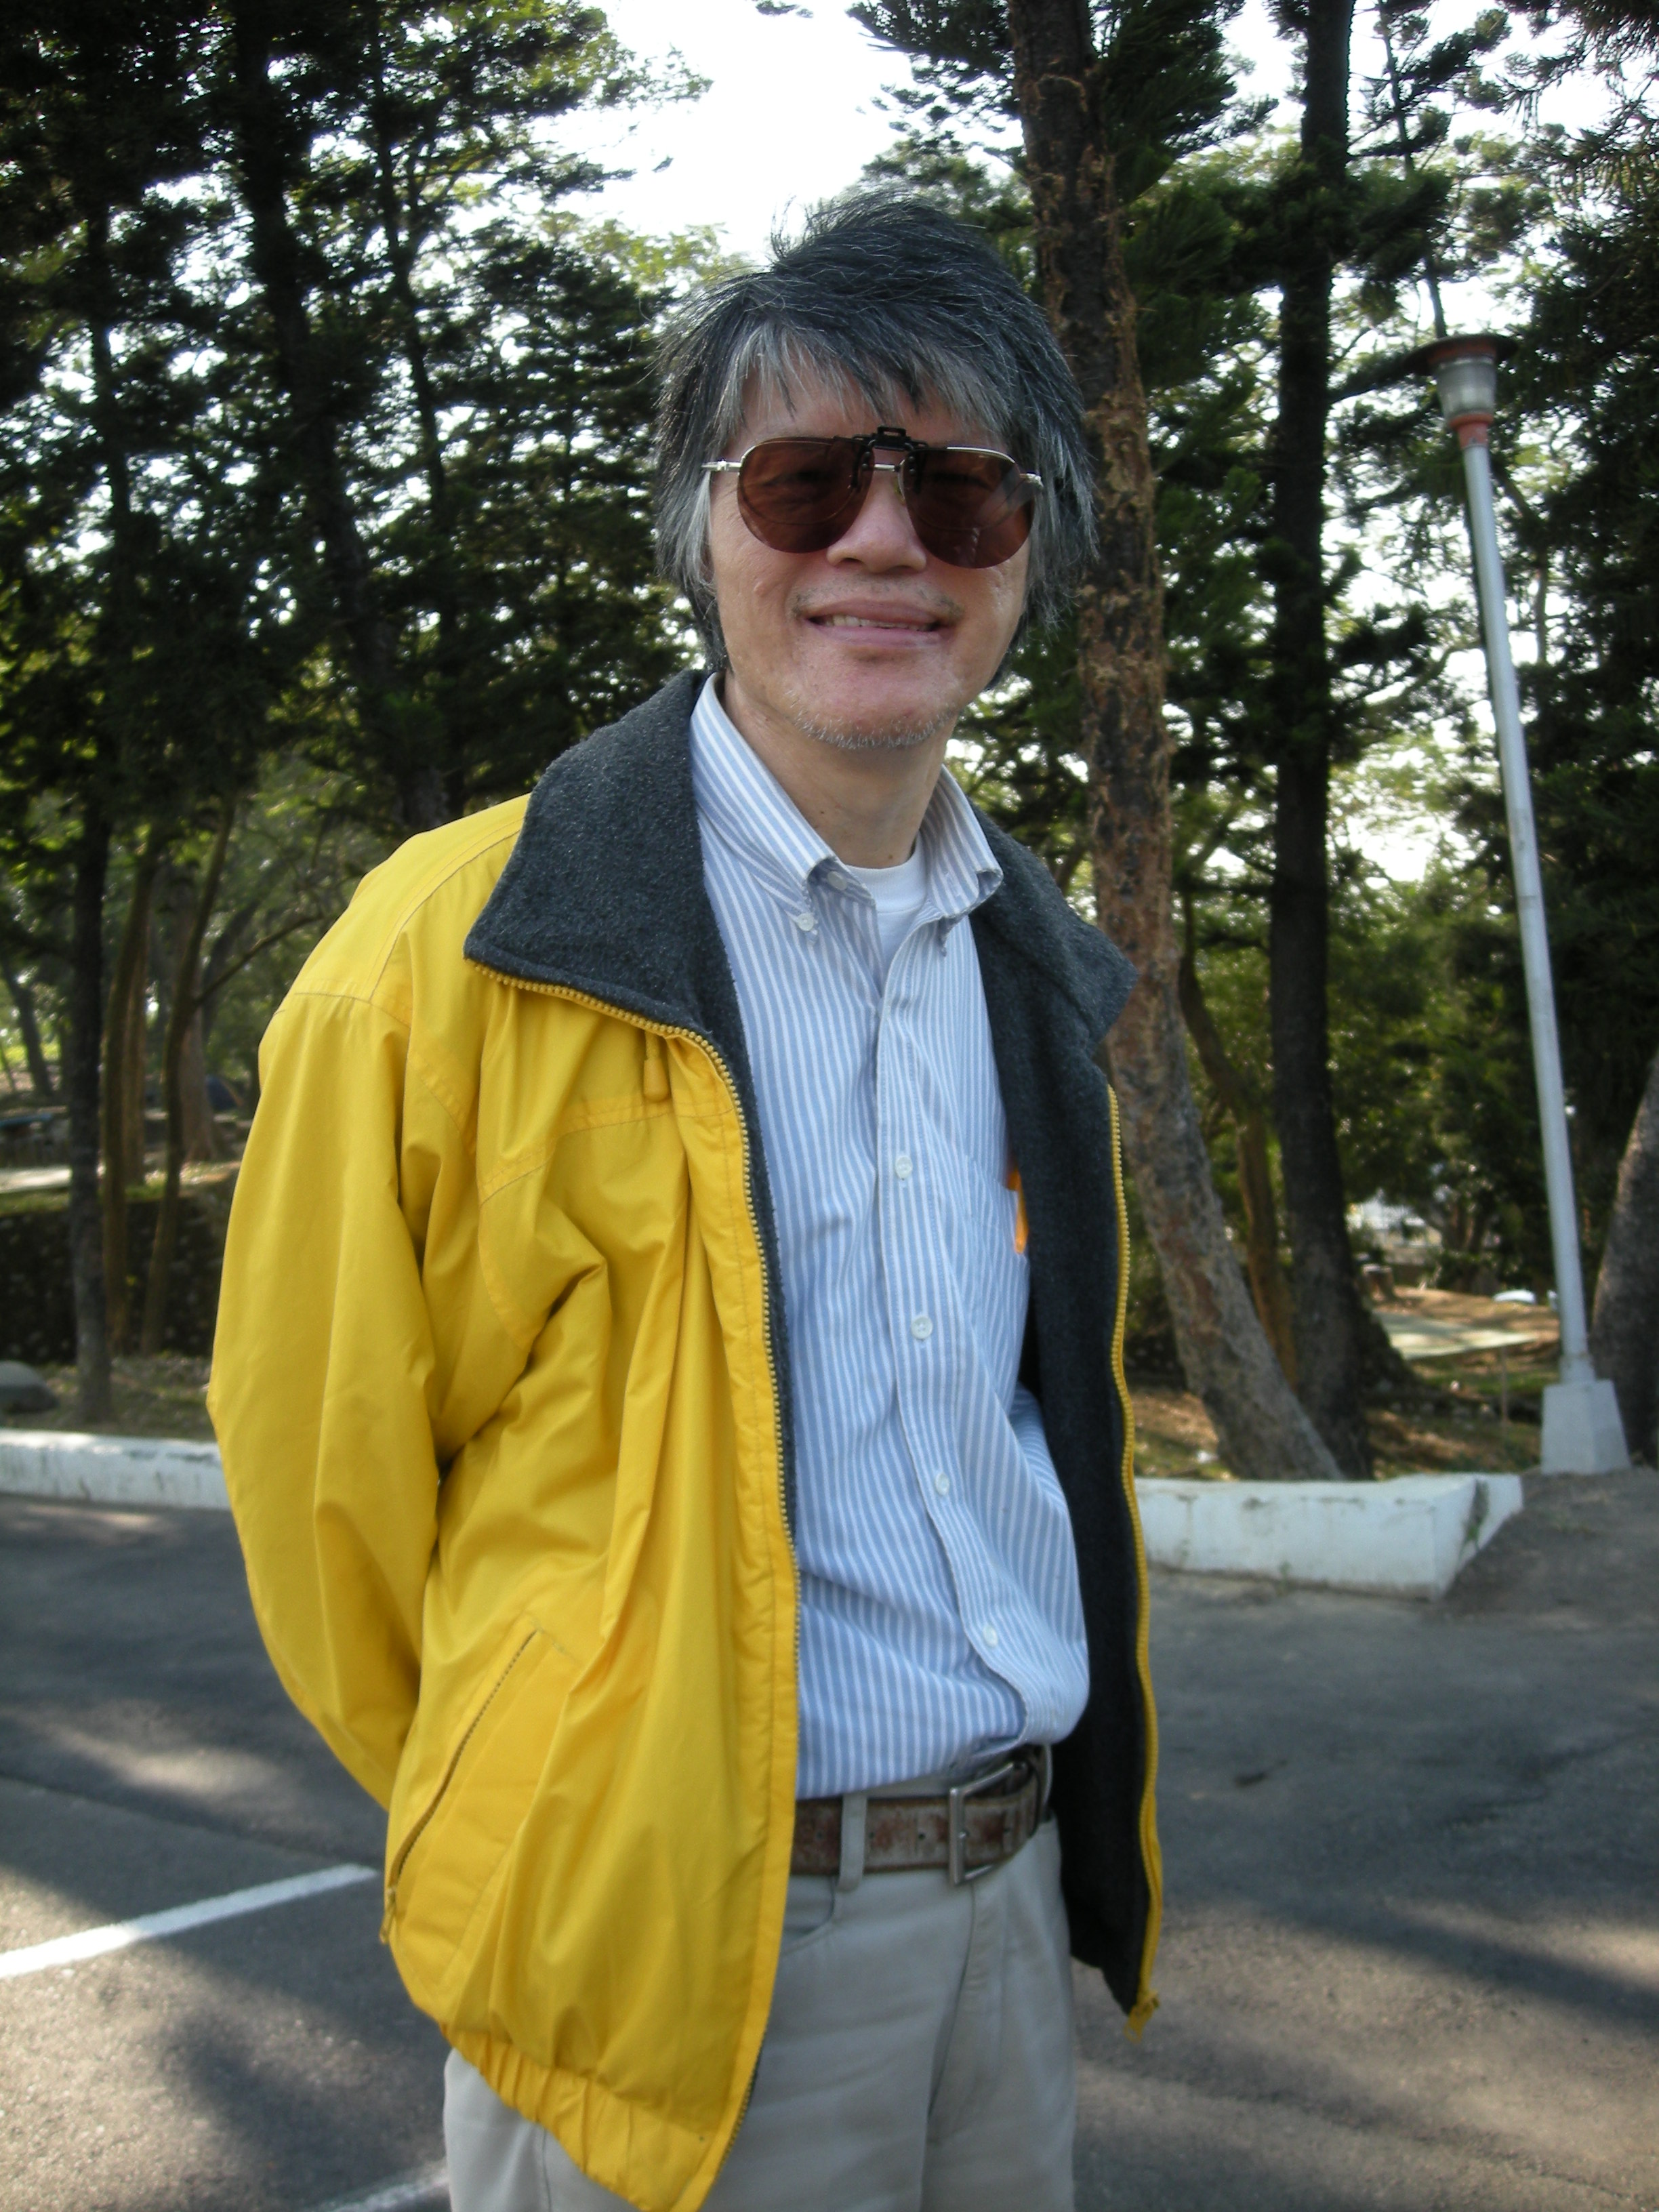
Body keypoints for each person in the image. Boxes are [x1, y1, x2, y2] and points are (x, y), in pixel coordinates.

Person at [211, 192, 1161, 2212]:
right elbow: (324, 1499)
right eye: (809, 482)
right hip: (662, 1964)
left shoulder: (1032, 963)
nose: (884, 543)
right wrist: (560, 1828)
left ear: (1028, 553)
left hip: (1009, 1924)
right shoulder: (443, 955)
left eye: (962, 493)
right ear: (704, 528)